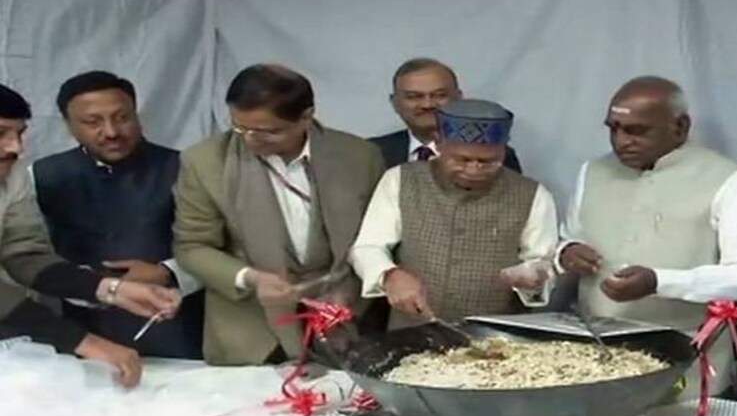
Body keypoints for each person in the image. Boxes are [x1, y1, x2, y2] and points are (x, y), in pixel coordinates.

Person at [556, 76, 737, 398]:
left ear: (680, 127)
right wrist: (566, 252)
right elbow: (569, 238)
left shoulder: (732, 179)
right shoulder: (593, 172)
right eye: (613, 128)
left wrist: (659, 282)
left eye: (637, 131)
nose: (621, 141)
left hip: (685, 364)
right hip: (594, 362)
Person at [173, 64, 385, 365]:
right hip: (252, 336)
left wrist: (348, 290)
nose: (250, 140)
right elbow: (192, 247)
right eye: (240, 128)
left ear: (306, 117)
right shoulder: (205, 162)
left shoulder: (360, 157)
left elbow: (377, 240)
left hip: (348, 323)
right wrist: (251, 278)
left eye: (269, 132)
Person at [0, 83, 181, 386]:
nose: (15, 148)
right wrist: (83, 341)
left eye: (19, 134)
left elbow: (24, 252)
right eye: (1, 133)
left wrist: (111, 289)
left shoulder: (13, 175)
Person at [31, 71, 204, 359]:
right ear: (69, 126)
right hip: (82, 335)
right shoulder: (40, 176)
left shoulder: (188, 168)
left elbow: (226, 246)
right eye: (93, 122)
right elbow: (28, 256)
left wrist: (167, 272)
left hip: (179, 328)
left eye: (122, 118)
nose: (111, 132)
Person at [350, 98, 556, 328]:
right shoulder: (400, 180)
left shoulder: (533, 195)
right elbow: (368, 247)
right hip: (412, 329)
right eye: (462, 159)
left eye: (488, 161)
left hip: (496, 338)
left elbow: (542, 262)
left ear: (503, 149)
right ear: (438, 143)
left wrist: (535, 278)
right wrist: (389, 275)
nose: (473, 169)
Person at [369, 58, 522, 172]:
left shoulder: (490, 154)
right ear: (394, 103)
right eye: (414, 96)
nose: (427, 105)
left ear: (459, 98)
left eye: (439, 95)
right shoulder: (371, 152)